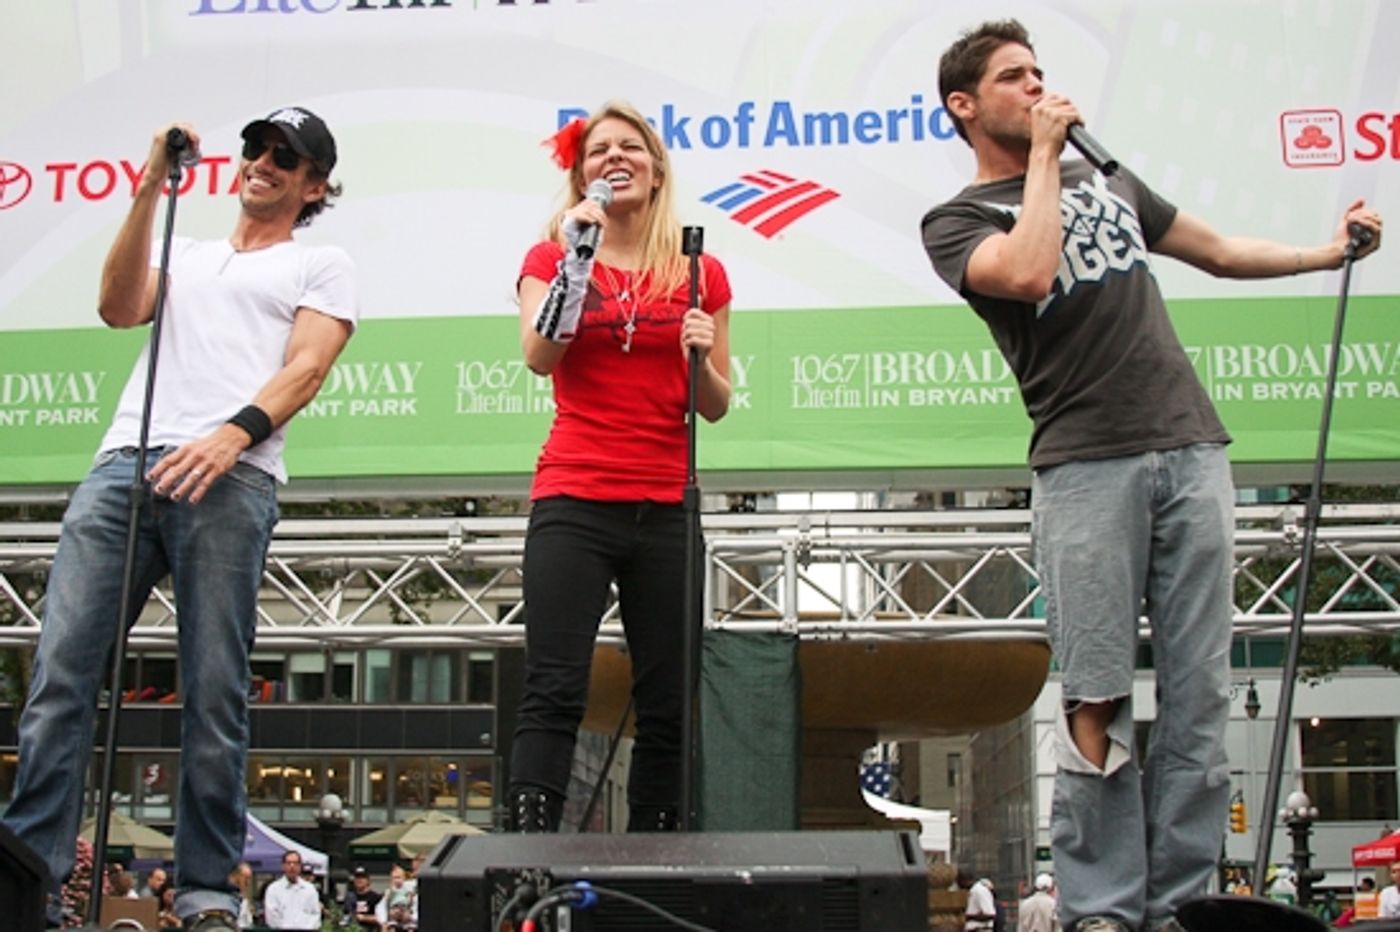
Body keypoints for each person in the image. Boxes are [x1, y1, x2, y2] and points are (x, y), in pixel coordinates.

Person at [921, 19, 1382, 932]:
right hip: (1085, 463)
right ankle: (1100, 906)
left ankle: (1182, 903)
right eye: (1016, 78)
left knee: (1201, 689)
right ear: (965, 107)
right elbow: (1028, 267)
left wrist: (1328, 253)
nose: (1038, 87)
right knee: (1097, 691)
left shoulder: (1111, 178)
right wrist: (1047, 156)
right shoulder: (958, 220)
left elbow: (1214, 249)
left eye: (1041, 73)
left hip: (1191, 447)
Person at [1, 106, 357, 931]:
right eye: (257, 149)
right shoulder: (186, 251)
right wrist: (149, 188)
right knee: (61, 678)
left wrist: (231, 438)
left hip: (231, 477)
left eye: (285, 157)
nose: (262, 163)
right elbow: (119, 308)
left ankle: (202, 893)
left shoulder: (323, 263)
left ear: (314, 186)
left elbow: (306, 370)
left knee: (214, 688)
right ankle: (30, 883)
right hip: (126, 462)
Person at [506, 100, 733, 833]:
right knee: (555, 686)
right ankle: (530, 846)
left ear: (656, 166)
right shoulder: (550, 258)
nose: (615, 159)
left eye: (630, 147)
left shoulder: (700, 271)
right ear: (580, 176)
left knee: (670, 699)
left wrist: (699, 356)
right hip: (575, 494)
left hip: (667, 503)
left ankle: (661, 850)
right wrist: (577, 255)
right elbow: (541, 356)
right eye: (599, 150)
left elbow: (717, 405)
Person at [263, 851, 322, 931]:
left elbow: (315, 915)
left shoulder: (310, 889)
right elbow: (271, 917)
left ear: (300, 866)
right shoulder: (273, 889)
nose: (292, 866)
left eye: (295, 863)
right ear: (283, 866)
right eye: (288, 863)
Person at [374, 864, 416, 930]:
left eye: (399, 877)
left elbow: (414, 907)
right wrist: (384, 923)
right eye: (394, 878)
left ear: (404, 878)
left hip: (408, 916)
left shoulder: (409, 889)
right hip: (394, 913)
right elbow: (381, 907)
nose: (397, 880)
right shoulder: (390, 890)